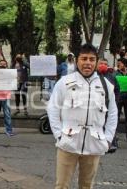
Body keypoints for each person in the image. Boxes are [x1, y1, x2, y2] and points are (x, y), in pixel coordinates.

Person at [47, 44, 118, 189]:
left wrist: (108, 139)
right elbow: (53, 109)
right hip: (68, 143)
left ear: (97, 62)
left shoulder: (106, 86)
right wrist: (59, 135)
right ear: (77, 61)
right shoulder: (64, 82)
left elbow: (112, 114)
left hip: (94, 144)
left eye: (92, 59)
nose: (88, 63)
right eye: (84, 58)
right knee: (61, 185)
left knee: (86, 186)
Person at [97, 58, 120, 152]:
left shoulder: (111, 76)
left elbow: (117, 89)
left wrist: (115, 101)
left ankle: (112, 143)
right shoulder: (94, 76)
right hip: (98, 105)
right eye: (101, 63)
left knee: (110, 122)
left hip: (109, 104)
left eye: (105, 64)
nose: (103, 65)